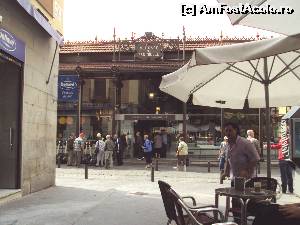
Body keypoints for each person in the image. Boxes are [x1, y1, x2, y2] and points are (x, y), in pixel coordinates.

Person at [221, 122, 260, 223]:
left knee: (247, 206)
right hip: (235, 180)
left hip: (248, 180)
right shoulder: (228, 144)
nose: (228, 133)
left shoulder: (245, 143)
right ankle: (237, 222)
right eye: (226, 131)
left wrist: (246, 170)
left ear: (236, 130)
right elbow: (228, 159)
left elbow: (255, 159)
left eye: (230, 130)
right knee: (236, 205)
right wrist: (225, 172)